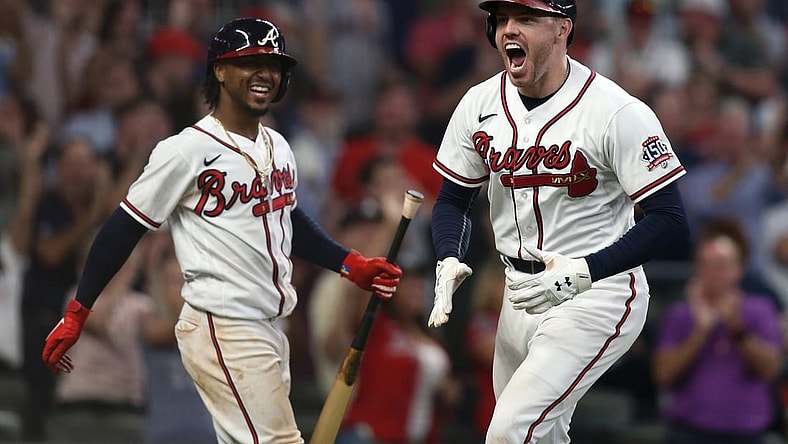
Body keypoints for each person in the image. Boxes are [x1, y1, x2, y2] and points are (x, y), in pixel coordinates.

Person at [40, 17, 403, 444]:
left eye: (273, 64)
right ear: (219, 70)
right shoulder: (186, 150)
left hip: (269, 326)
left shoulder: (279, 145)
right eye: (250, 62)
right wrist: (79, 310)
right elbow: (123, 227)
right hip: (224, 322)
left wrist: (348, 263)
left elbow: (284, 216)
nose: (265, 74)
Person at [426, 1, 690, 443]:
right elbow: (453, 199)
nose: (510, 29)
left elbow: (669, 218)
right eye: (502, 20)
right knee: (540, 437)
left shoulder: (616, 110)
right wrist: (447, 255)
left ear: (563, 29)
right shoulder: (480, 103)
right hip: (518, 292)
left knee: (509, 432)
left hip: (597, 292)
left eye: (527, 19)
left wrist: (585, 272)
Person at [652, 218, 784, 444]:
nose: (713, 273)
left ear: (738, 269)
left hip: (747, 432)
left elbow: (771, 369)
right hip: (688, 430)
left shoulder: (760, 309)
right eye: (705, 264)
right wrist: (701, 330)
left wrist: (738, 330)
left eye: (721, 265)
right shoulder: (680, 313)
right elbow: (663, 375)